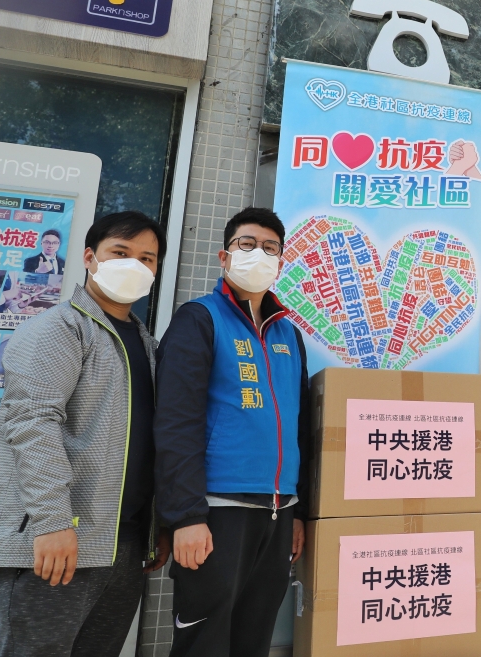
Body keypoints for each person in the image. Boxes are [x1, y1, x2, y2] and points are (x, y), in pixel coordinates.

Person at [0, 211, 171, 657]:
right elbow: (32, 421)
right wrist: (52, 521)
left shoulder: (147, 345)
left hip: (121, 544)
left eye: (147, 258)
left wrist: (157, 525)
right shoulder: (59, 328)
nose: (134, 265)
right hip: (54, 541)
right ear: (89, 257)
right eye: (120, 252)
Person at [154, 207, 310, 657]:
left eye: (270, 247)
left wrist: (300, 510)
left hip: (279, 513)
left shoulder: (289, 334)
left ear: (280, 261)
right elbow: (175, 422)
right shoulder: (199, 319)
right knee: (204, 643)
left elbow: (300, 427)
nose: (258, 253)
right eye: (247, 244)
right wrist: (186, 516)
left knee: (253, 641)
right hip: (216, 513)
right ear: (224, 256)